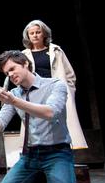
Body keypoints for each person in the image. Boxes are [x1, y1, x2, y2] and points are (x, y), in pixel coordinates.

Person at [0, 50, 77, 183]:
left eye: (12, 69)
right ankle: (41, 179)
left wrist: (15, 102)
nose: (9, 75)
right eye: (6, 73)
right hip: (30, 157)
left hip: (57, 153)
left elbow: (50, 113)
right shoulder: (14, 94)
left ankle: (54, 178)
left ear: (25, 64)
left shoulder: (55, 85)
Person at [21, 20, 87, 149]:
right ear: (28, 36)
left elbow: (70, 74)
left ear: (44, 34)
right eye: (32, 33)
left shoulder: (56, 50)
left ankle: (63, 152)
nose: (35, 35)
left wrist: (69, 90)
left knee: (59, 121)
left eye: (38, 32)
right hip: (35, 91)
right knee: (38, 123)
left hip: (55, 90)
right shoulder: (24, 55)